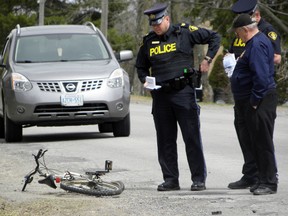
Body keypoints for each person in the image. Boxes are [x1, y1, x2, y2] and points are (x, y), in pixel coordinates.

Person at [135, 3, 220, 191]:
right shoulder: (148, 41)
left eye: (158, 23)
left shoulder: (184, 32)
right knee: (165, 140)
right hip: (161, 96)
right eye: (153, 25)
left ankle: (198, 179)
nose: (155, 27)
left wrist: (208, 59)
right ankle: (171, 179)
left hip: (183, 93)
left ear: (167, 19)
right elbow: (140, 66)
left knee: (191, 137)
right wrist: (144, 80)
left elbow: (214, 37)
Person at [227, 0, 282, 191]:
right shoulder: (253, 42)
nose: (237, 36)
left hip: (260, 100)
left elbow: (261, 77)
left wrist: (254, 101)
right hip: (254, 100)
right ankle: (259, 178)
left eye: (237, 33)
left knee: (263, 142)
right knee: (256, 141)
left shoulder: (257, 44)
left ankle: (269, 182)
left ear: (244, 30)